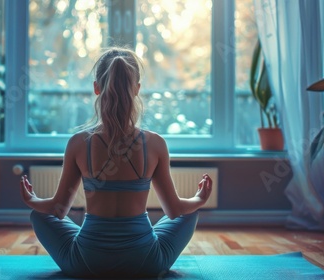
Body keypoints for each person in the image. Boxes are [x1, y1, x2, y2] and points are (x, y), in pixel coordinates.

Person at [19, 47, 213, 278]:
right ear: (137, 89)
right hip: (146, 263)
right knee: (189, 213)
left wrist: (31, 199)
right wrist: (199, 199)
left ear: (96, 88)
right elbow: (174, 210)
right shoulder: (156, 143)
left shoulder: (78, 142)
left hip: (86, 263)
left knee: (39, 215)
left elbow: (57, 210)